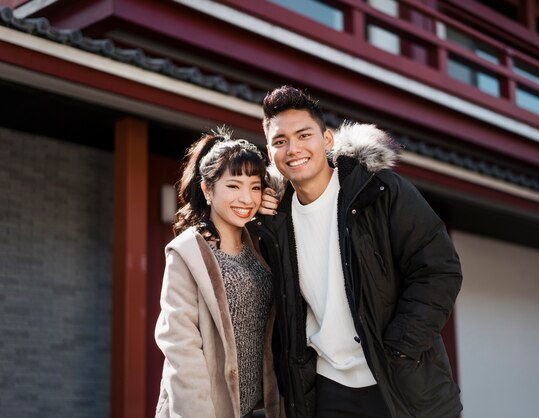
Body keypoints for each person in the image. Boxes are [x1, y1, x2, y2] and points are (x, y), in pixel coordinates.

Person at [250, 86, 463, 418]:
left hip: (399, 382)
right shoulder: (274, 220)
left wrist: (399, 349)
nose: (293, 149)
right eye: (280, 141)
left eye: (304, 134)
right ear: (270, 151)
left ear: (328, 139)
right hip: (328, 389)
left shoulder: (378, 191)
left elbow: (439, 268)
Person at [154, 131, 284, 418]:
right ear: (207, 190)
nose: (246, 198)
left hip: (258, 410)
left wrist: (270, 212)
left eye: (254, 187)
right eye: (234, 186)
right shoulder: (187, 253)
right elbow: (181, 348)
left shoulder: (260, 245)